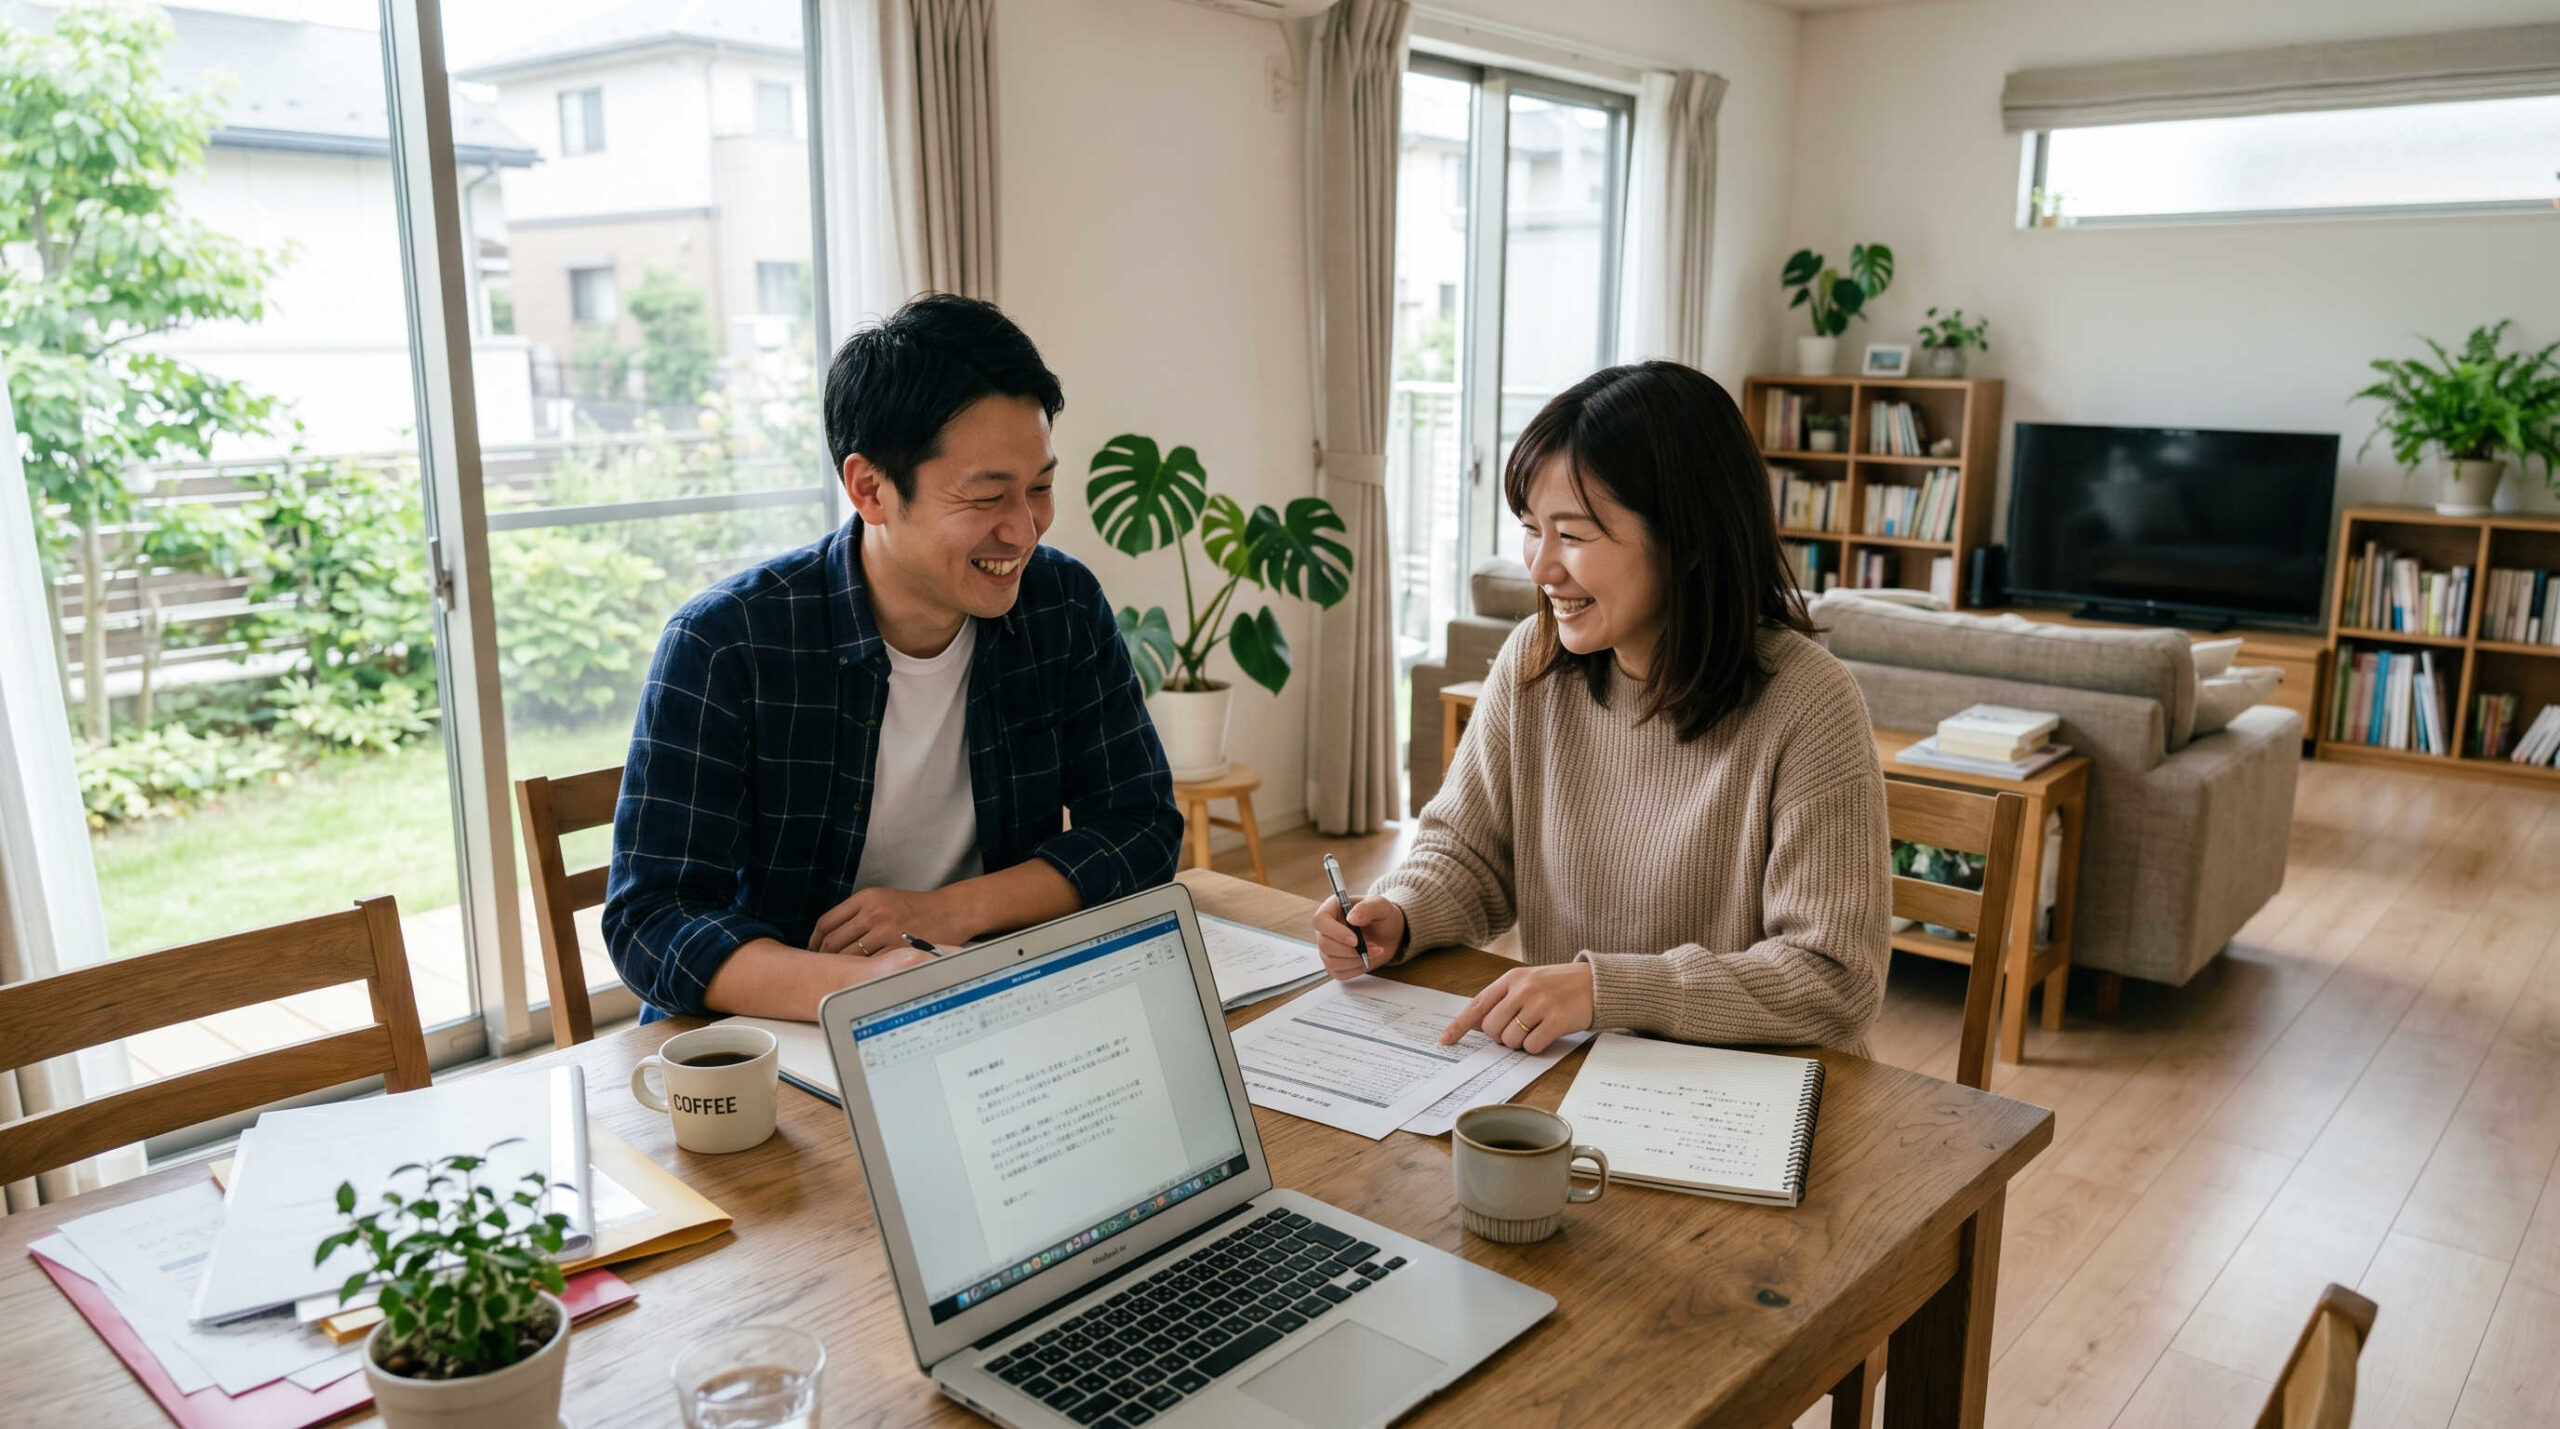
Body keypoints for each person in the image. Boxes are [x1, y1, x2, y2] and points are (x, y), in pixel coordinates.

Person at [604, 294, 1184, 1021]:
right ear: (870, 488)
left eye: (1040, 487)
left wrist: (947, 911)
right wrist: (862, 987)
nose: (1024, 529)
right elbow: (653, 919)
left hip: (997, 1002)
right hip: (783, 1034)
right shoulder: (727, 644)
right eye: (987, 497)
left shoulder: (1059, 605)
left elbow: (1141, 826)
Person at [1311, 361, 1889, 1055]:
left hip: (1744, 1100)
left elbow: (1833, 977)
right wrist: (1401, 911)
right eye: (1531, 527)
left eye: (1574, 535)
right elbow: (1468, 852)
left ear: (1689, 539)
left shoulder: (1809, 702)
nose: (1540, 565)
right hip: (1568, 1072)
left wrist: (1605, 990)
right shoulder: (1534, 660)